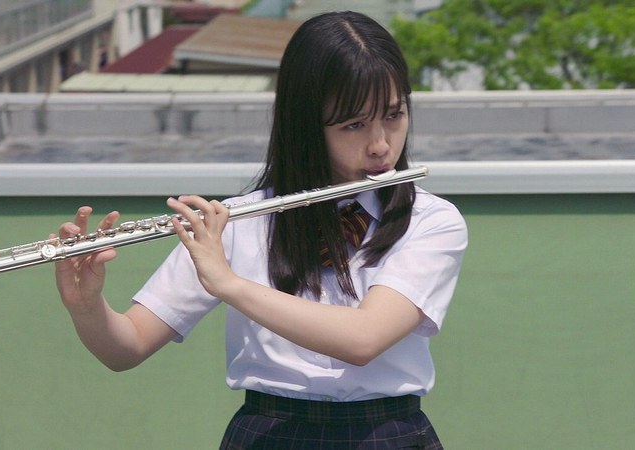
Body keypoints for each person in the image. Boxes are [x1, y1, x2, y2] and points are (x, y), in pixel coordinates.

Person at [55, 11, 467, 449]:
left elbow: (364, 339)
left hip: (388, 434)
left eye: (394, 115)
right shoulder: (238, 221)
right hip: (270, 433)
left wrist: (230, 285)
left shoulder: (430, 221)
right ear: (305, 124)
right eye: (354, 125)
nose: (381, 144)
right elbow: (128, 347)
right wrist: (87, 306)